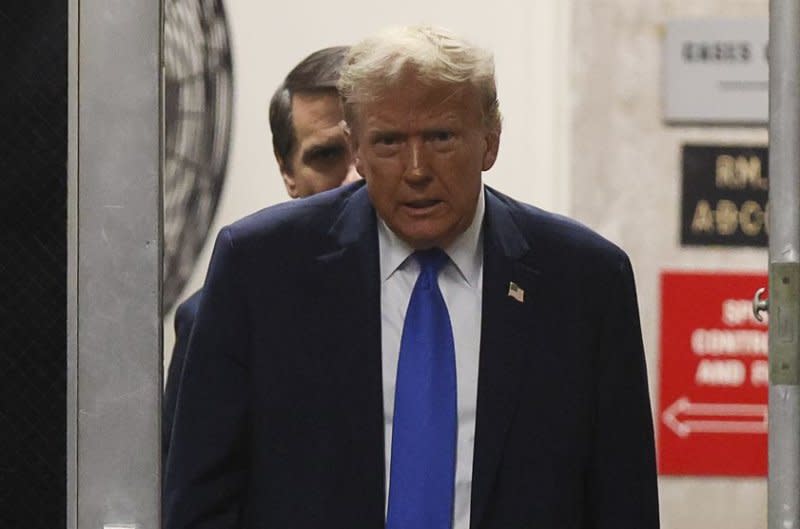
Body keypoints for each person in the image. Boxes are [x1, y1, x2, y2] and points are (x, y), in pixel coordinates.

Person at [164, 25, 659, 529]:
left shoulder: (584, 283)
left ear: (490, 140)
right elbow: (200, 502)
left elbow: (624, 502)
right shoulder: (261, 271)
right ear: (356, 149)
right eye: (389, 142)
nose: (416, 168)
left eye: (441, 137)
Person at [162, 45, 359, 457]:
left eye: (376, 146)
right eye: (326, 156)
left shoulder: (449, 299)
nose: (355, 178)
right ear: (287, 172)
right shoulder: (217, 320)